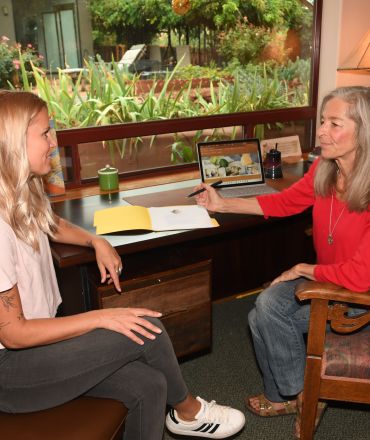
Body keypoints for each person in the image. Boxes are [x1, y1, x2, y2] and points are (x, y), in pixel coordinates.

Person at [0, 90, 246, 440]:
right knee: (145, 327)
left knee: (151, 385)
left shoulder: (22, 191)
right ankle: (189, 411)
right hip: (11, 372)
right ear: (12, 143)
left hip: (40, 347)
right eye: (44, 133)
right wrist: (101, 318)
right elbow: (12, 333)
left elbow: (50, 224)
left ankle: (180, 410)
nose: (53, 142)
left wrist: (95, 240)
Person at [195, 86, 370, 438]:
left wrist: (304, 269)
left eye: (334, 124)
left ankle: (292, 396)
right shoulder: (325, 168)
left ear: (364, 131)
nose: (321, 131)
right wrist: (222, 205)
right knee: (262, 310)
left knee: (266, 312)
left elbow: (362, 275)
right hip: (330, 281)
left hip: (358, 293)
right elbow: (285, 202)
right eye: (322, 121)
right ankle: (301, 394)